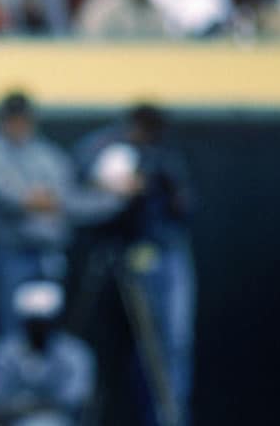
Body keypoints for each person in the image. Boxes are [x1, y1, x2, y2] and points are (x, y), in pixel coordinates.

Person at [73, 104, 195, 426]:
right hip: (116, 248)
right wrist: (114, 186)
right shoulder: (104, 147)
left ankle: (167, 418)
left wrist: (153, 186)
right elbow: (85, 182)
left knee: (167, 346)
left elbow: (182, 207)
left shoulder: (164, 157)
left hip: (159, 253)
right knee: (102, 345)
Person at [0, 92, 116, 333]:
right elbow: (11, 196)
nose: (19, 125)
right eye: (12, 118)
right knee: (12, 332)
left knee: (53, 330)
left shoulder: (47, 154)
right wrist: (40, 200)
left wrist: (112, 197)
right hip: (11, 254)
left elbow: (71, 198)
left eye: (23, 118)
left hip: (49, 254)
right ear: (2, 120)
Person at [0, 280, 95, 426]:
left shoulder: (74, 353)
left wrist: (25, 406)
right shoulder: (1, 352)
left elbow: (74, 400)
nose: (38, 329)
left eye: (43, 323)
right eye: (33, 323)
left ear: (55, 321)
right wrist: (38, 405)